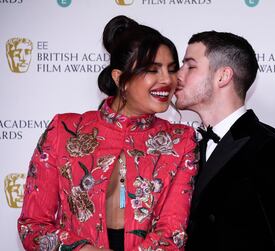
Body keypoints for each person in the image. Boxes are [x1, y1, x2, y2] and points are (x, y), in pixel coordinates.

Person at [18, 15, 197, 251]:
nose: (167, 80)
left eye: (172, 70)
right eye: (152, 70)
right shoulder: (64, 130)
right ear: (120, 78)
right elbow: (33, 225)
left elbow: (171, 235)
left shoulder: (181, 141)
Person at [175, 31, 275, 250]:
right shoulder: (187, 146)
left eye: (190, 66)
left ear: (223, 77)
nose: (178, 74)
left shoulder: (272, 149)